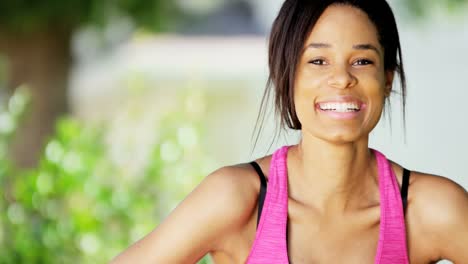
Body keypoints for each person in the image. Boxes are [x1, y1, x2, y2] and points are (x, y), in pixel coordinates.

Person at [111, 0, 468, 263]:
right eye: (317, 61)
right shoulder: (238, 200)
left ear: (386, 79)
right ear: (288, 75)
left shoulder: (429, 209)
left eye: (362, 61)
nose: (342, 78)